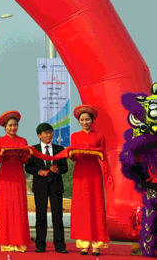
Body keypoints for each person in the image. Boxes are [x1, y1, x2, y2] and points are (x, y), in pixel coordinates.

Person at [70, 104, 110, 256]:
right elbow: (73, 156)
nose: (85, 122)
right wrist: (73, 153)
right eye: (82, 120)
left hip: (94, 172)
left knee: (96, 205)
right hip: (80, 172)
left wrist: (97, 153)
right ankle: (83, 244)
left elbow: (103, 155)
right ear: (79, 121)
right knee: (82, 207)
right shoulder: (75, 136)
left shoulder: (99, 136)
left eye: (87, 120)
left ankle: (97, 244)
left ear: (92, 121)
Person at [25, 122, 68, 254]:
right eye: (46, 133)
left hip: (56, 186)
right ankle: (40, 245)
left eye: (50, 132)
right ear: (39, 135)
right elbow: (28, 167)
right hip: (40, 186)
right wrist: (38, 172)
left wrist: (57, 169)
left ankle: (60, 246)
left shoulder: (59, 149)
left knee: (57, 216)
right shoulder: (33, 150)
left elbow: (65, 168)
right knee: (40, 216)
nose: (49, 135)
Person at [0, 111, 31, 252]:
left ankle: (20, 242)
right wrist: (2, 153)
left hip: (18, 173)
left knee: (19, 206)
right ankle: (6, 242)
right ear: (5, 127)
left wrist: (23, 154)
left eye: (15, 125)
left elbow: (26, 160)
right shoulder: (0, 141)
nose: (12, 128)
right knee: (6, 208)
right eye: (10, 125)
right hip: (5, 175)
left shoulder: (23, 141)